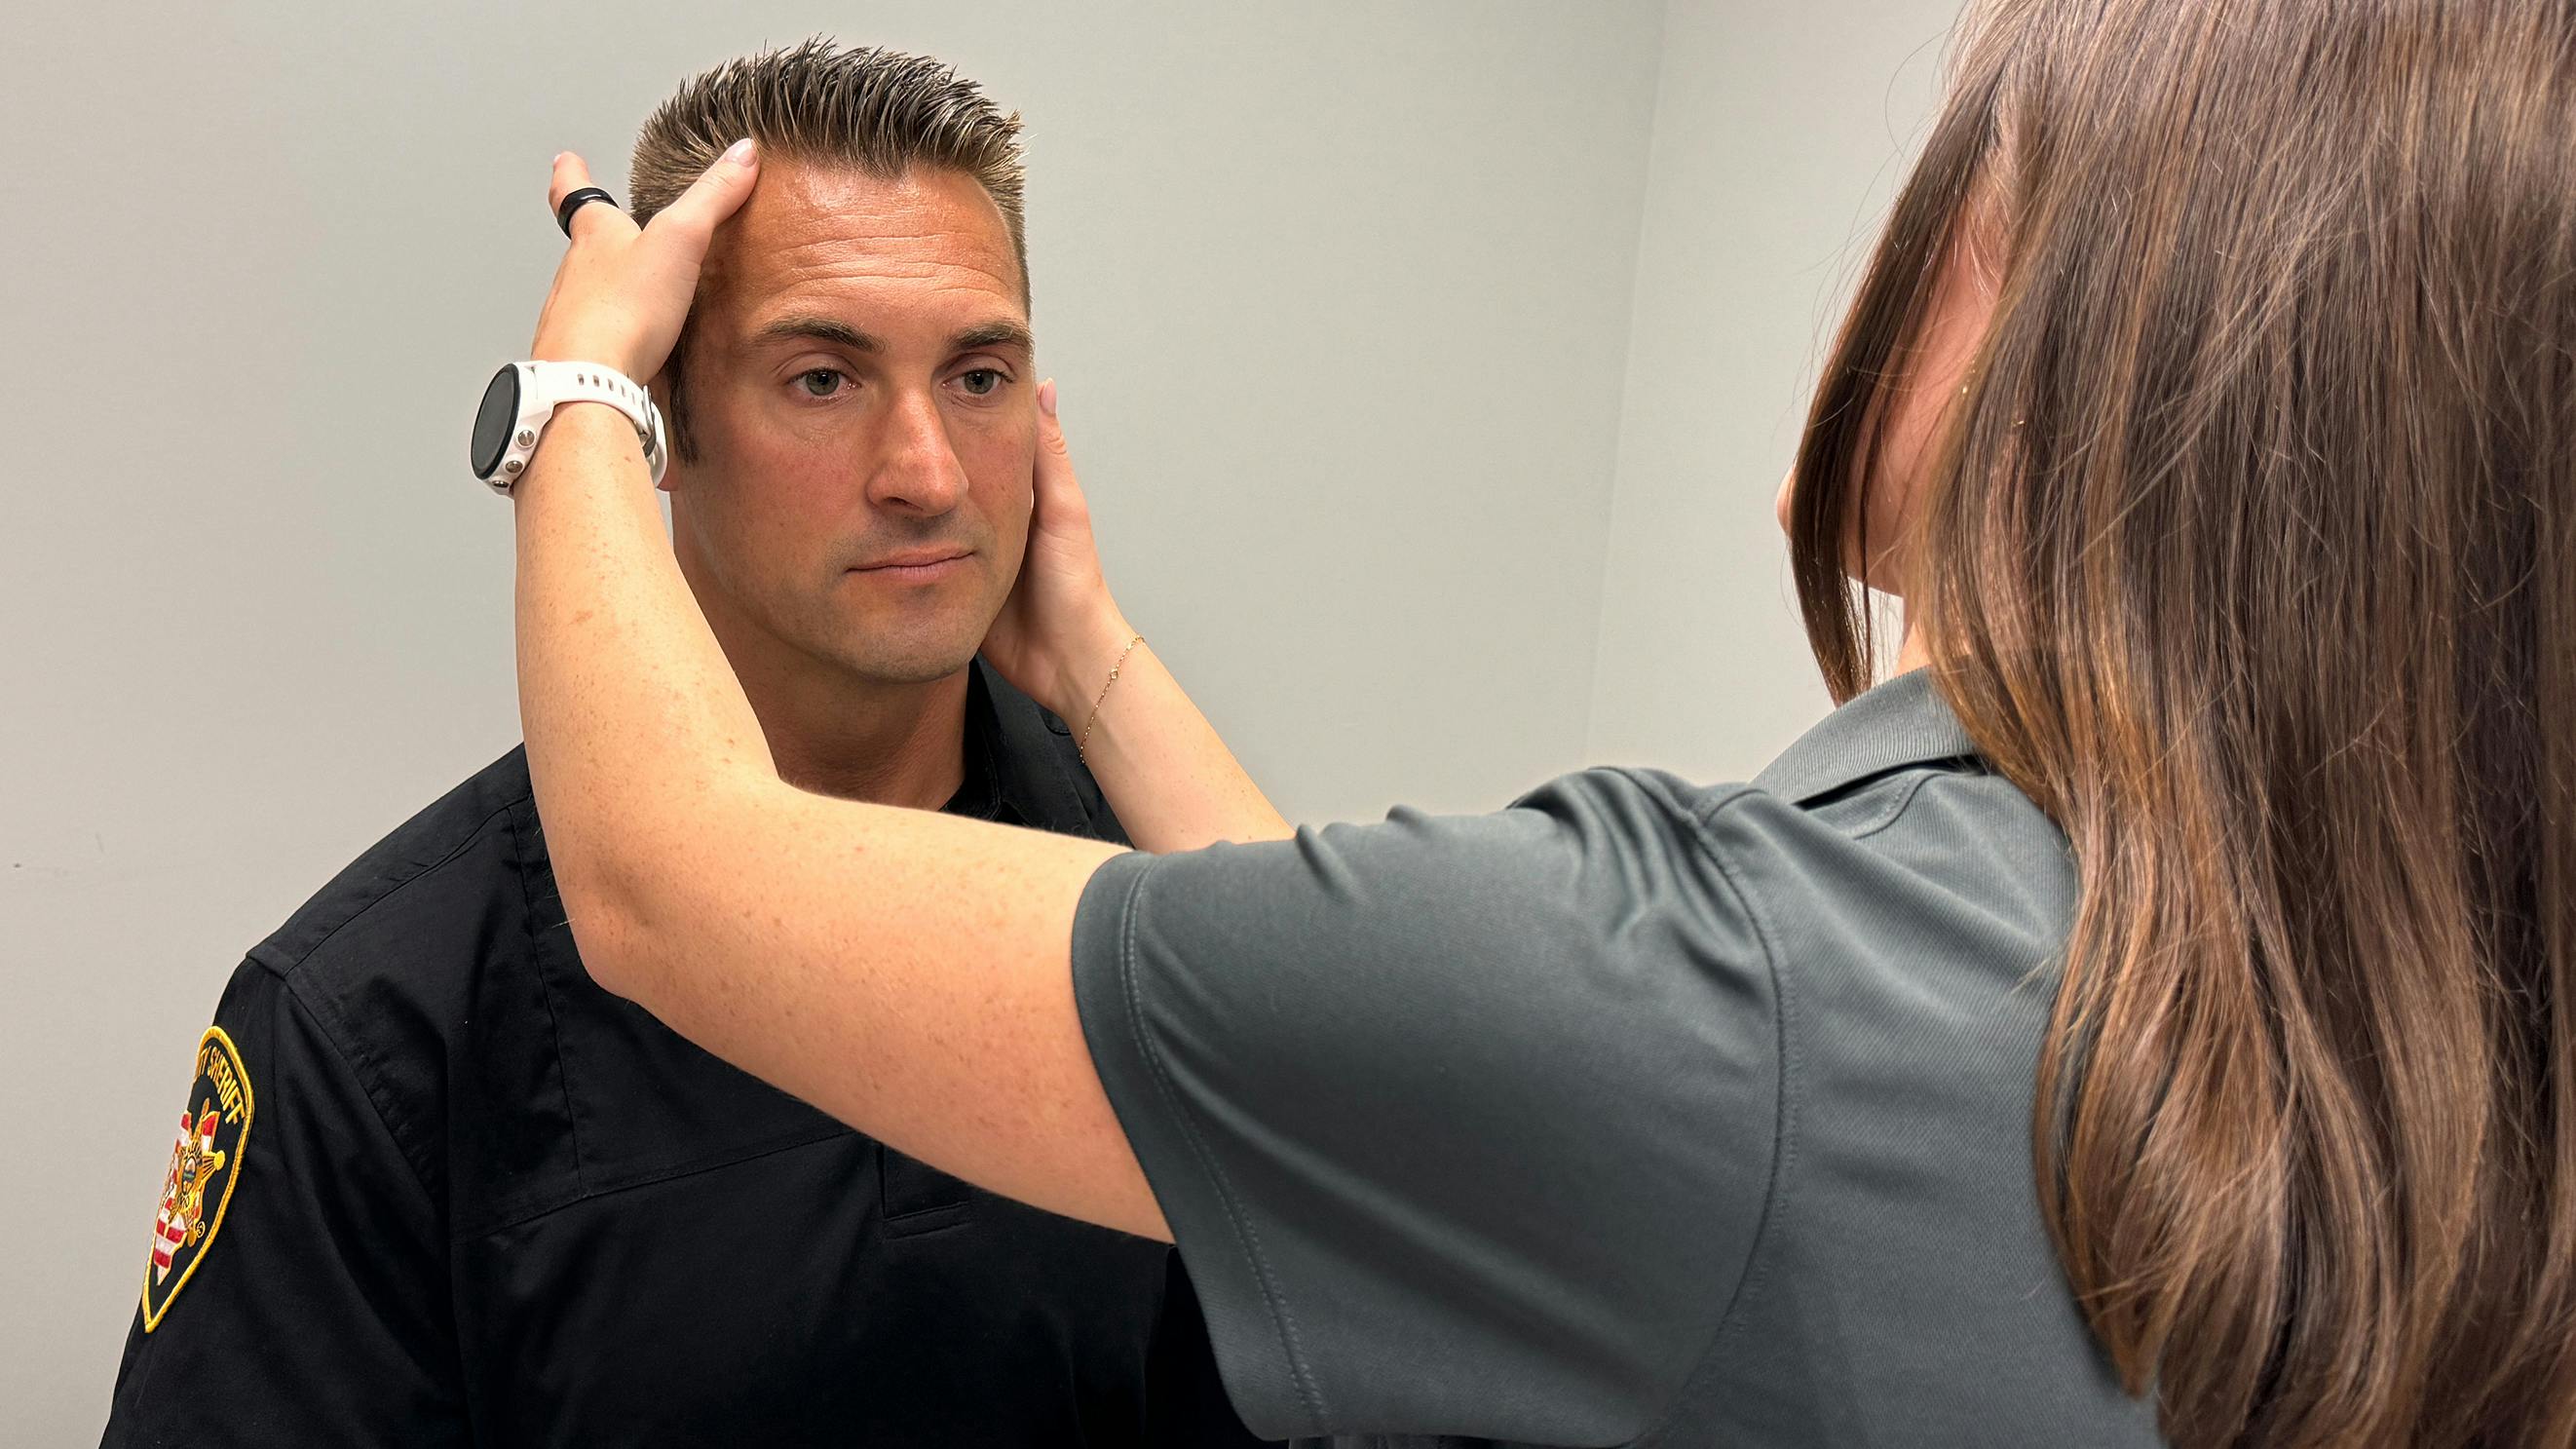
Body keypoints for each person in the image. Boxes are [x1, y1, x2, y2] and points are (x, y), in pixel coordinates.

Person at [500, 1, 2575, 1445]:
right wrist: (1104, 662)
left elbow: (669, 878)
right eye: (812, 377)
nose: (925, 475)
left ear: (2139, 335)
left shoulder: (1749, 999)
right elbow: (1395, 1073)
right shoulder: (2428, 978)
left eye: (1974, 197)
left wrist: (576, 384)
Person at [101, 41, 1265, 1449]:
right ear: (661, 422)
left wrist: (1096, 659)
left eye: (979, 373)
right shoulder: (378, 1025)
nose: (929, 474)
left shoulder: (1181, 892)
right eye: (823, 378)